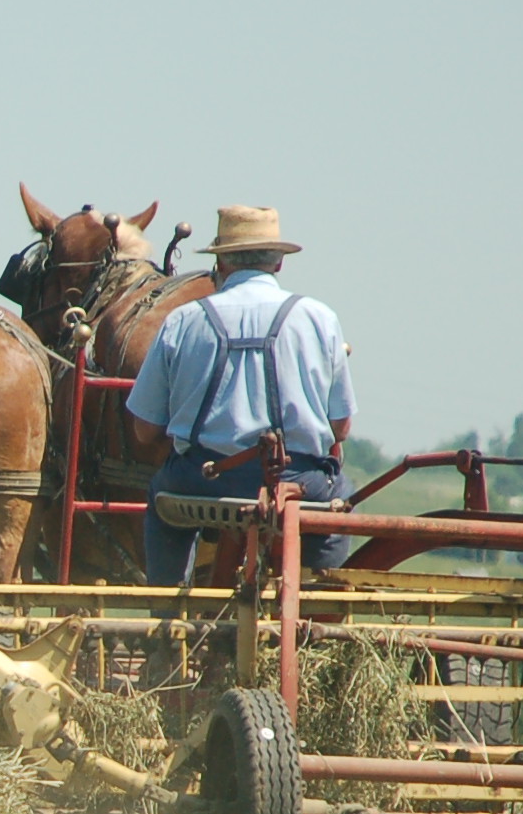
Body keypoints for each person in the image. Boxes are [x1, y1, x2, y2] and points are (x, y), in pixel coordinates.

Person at [126, 206, 358, 586]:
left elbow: (144, 429)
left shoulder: (184, 320)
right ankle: (316, 596)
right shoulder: (319, 318)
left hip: (201, 479)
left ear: (220, 262)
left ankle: (166, 607)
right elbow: (341, 427)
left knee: (161, 496)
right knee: (341, 498)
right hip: (297, 481)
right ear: (279, 262)